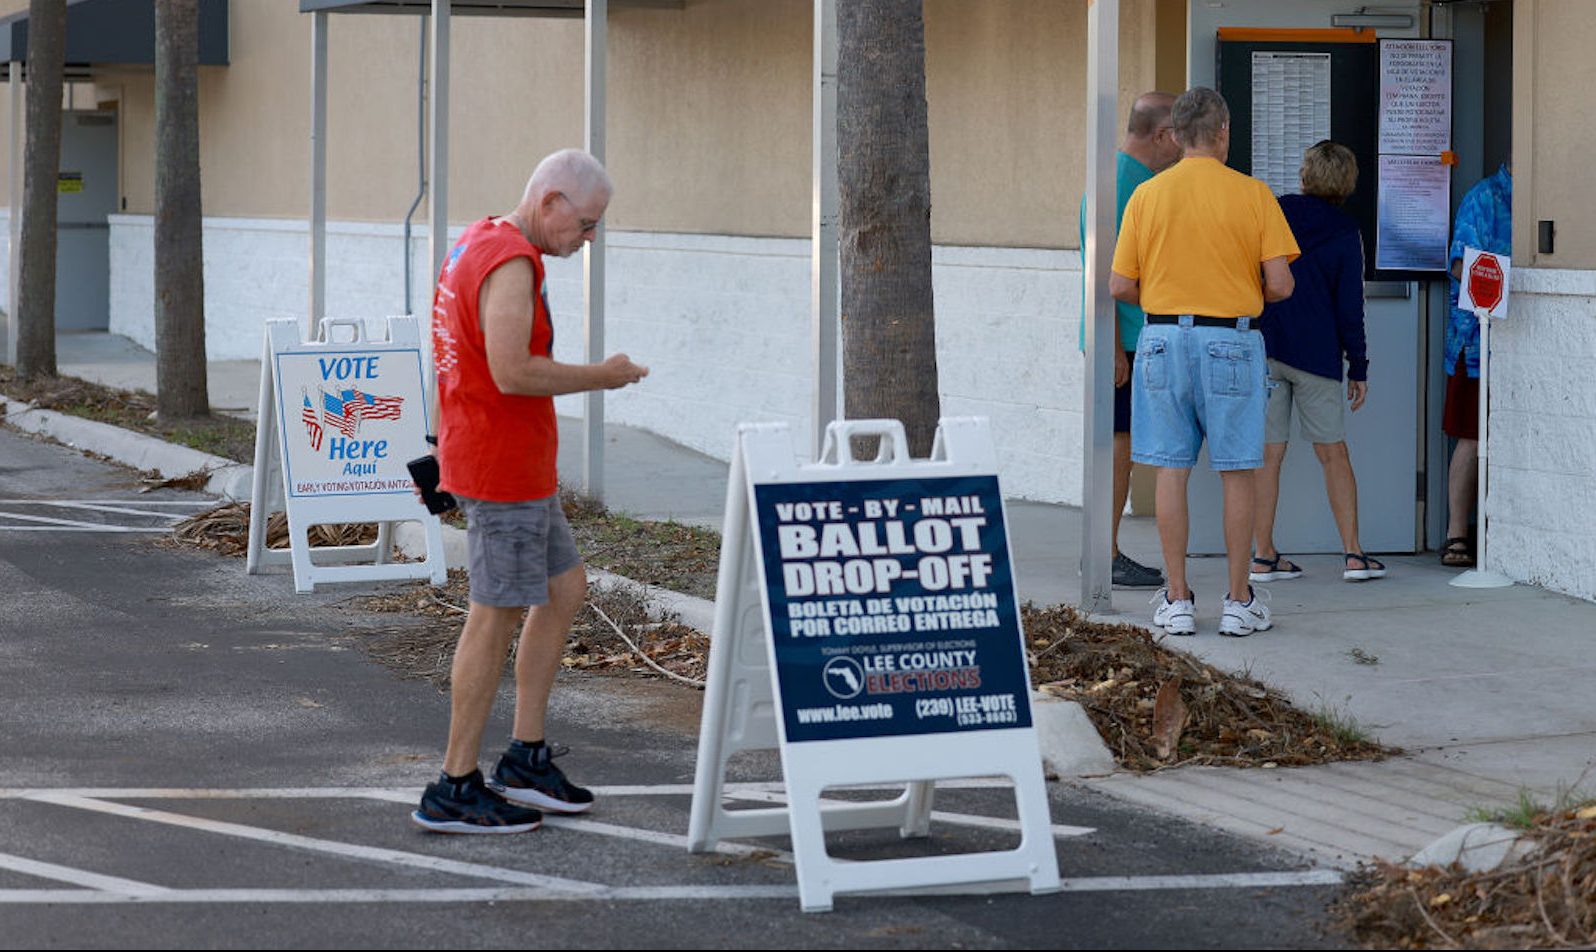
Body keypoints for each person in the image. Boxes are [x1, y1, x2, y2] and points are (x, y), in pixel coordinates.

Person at [412, 149, 649, 833]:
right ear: (550, 203)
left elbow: (456, 358)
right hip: (501, 468)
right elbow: (511, 371)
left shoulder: (478, 242)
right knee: (494, 615)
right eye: (586, 223)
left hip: (509, 462)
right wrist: (601, 377)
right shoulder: (512, 260)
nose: (589, 238)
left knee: (564, 587)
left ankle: (525, 755)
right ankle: (455, 784)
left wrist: (438, 444)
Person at [1109, 87, 1299, 637]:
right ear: (1222, 133)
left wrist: (1166, 296)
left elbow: (1121, 283)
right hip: (1231, 340)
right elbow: (1281, 283)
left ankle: (1177, 599)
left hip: (1163, 338)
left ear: (1176, 134)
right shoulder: (1253, 194)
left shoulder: (1148, 194)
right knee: (1239, 469)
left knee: (1172, 467)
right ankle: (1239, 601)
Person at [1251, 141, 1386, 583]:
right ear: (1347, 183)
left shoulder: (1273, 212)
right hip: (1317, 357)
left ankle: (1263, 556)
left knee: (1268, 458)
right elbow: (1351, 308)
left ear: (1305, 175)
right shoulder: (1346, 232)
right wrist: (1359, 367)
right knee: (1333, 454)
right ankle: (1353, 555)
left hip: (1265, 347)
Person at [1078, 91, 1182, 589]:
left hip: (1126, 338)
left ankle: (1105, 549)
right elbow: (1106, 275)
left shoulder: (1121, 177)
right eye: (1179, 137)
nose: (1183, 148)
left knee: (1122, 446)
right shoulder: (1127, 185)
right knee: (1117, 449)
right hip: (1123, 341)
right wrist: (1116, 347)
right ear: (1162, 136)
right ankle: (1104, 553)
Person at [1440, 163, 1511, 567]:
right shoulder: (1484, 198)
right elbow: (1458, 266)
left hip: (1520, 341)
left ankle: (1501, 529)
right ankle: (1457, 535)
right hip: (1476, 340)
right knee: (1471, 436)